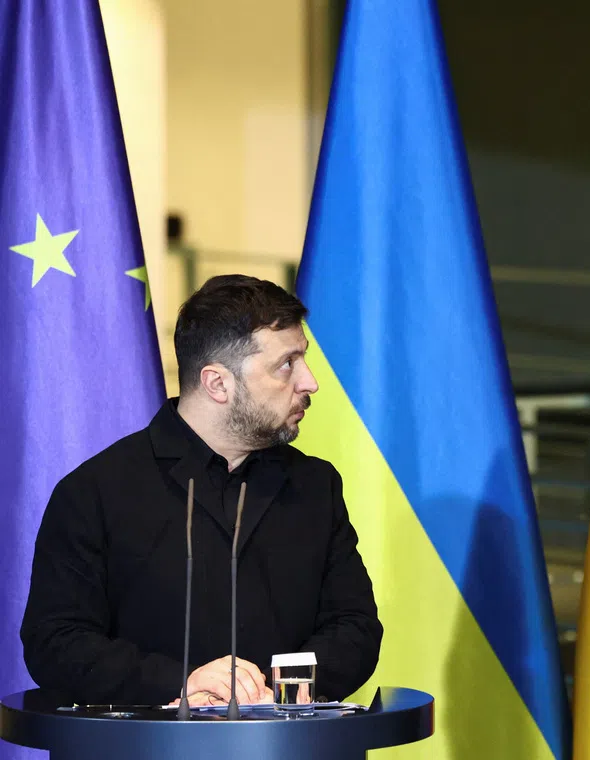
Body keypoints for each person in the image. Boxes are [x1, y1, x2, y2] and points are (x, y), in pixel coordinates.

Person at [21, 274, 382, 706]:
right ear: (217, 383)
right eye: (287, 364)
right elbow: (56, 641)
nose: (309, 382)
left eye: (302, 360)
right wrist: (181, 683)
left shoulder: (315, 485)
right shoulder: (95, 490)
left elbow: (355, 626)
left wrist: (270, 691)